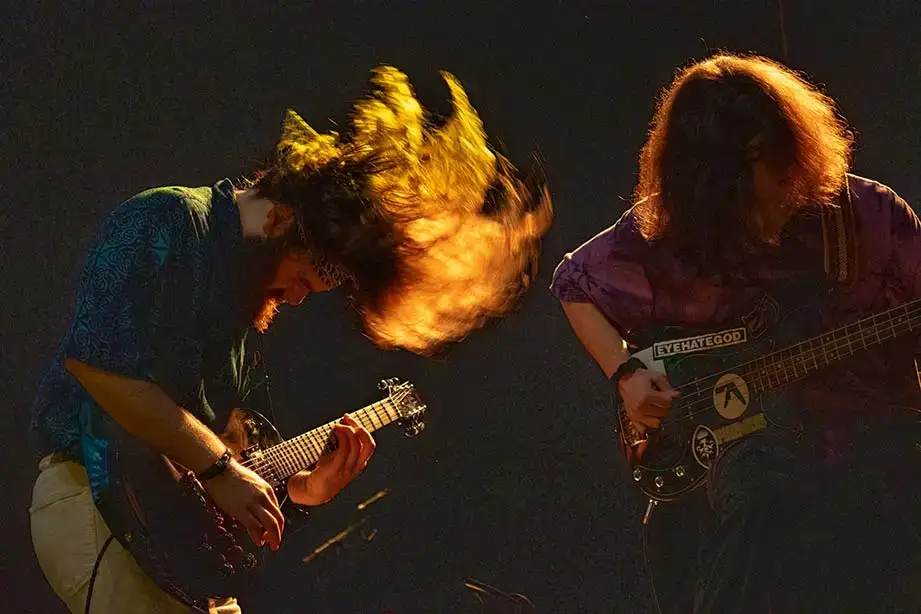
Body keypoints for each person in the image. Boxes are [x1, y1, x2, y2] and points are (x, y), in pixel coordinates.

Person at [30, 66, 552, 614]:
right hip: (93, 504)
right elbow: (98, 365)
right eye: (302, 279)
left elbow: (207, 464)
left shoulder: (240, 313)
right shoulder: (169, 220)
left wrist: (300, 492)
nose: (300, 299)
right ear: (280, 220)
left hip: (171, 548)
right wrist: (220, 468)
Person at [550, 53, 921, 613]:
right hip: (742, 474)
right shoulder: (671, 231)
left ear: (791, 156)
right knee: (756, 497)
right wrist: (627, 373)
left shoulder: (869, 217)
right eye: (734, 197)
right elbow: (573, 284)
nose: (758, 208)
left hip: (874, 462)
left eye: (769, 177)